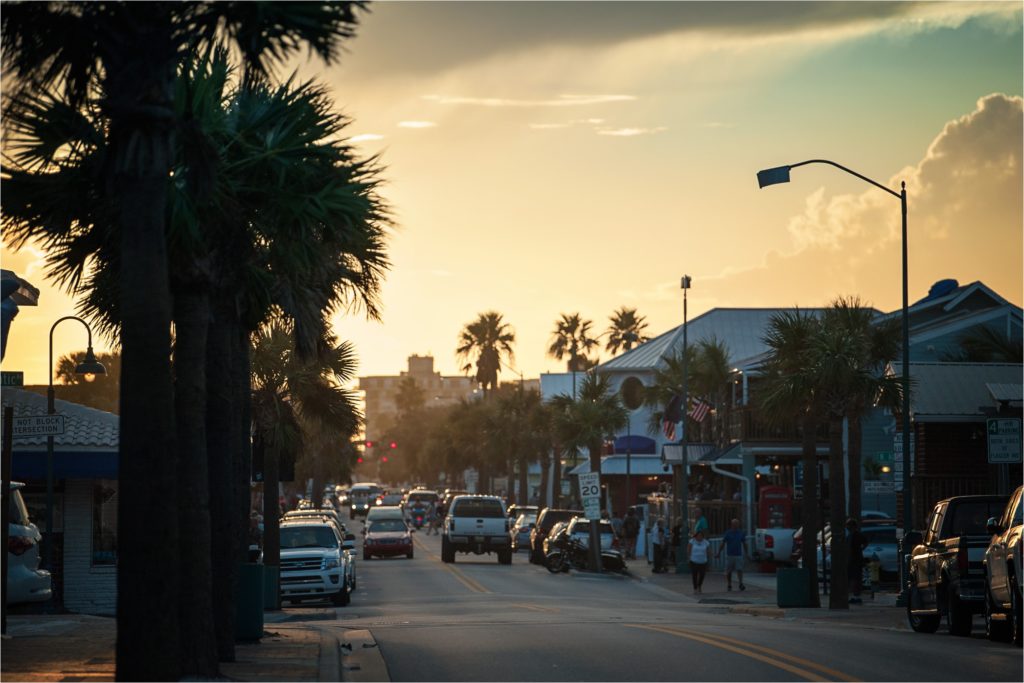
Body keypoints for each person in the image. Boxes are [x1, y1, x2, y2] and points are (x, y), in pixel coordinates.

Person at [716, 518, 747, 591]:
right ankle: (729, 584)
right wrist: (719, 552)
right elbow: (723, 543)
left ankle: (740, 583)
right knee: (729, 571)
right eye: (734, 524)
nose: (736, 525)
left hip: (738, 554)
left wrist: (746, 553)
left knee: (740, 569)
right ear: (732, 524)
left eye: (737, 524)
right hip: (730, 555)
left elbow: (744, 543)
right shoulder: (728, 533)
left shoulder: (741, 533)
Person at [846, 518, 869, 603]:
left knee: (856, 578)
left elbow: (865, 542)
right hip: (851, 560)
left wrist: (860, 549)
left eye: (849, 525)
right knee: (852, 578)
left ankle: (857, 597)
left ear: (853, 526)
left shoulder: (857, 535)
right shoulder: (849, 536)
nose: (847, 527)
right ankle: (854, 596)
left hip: (856, 560)